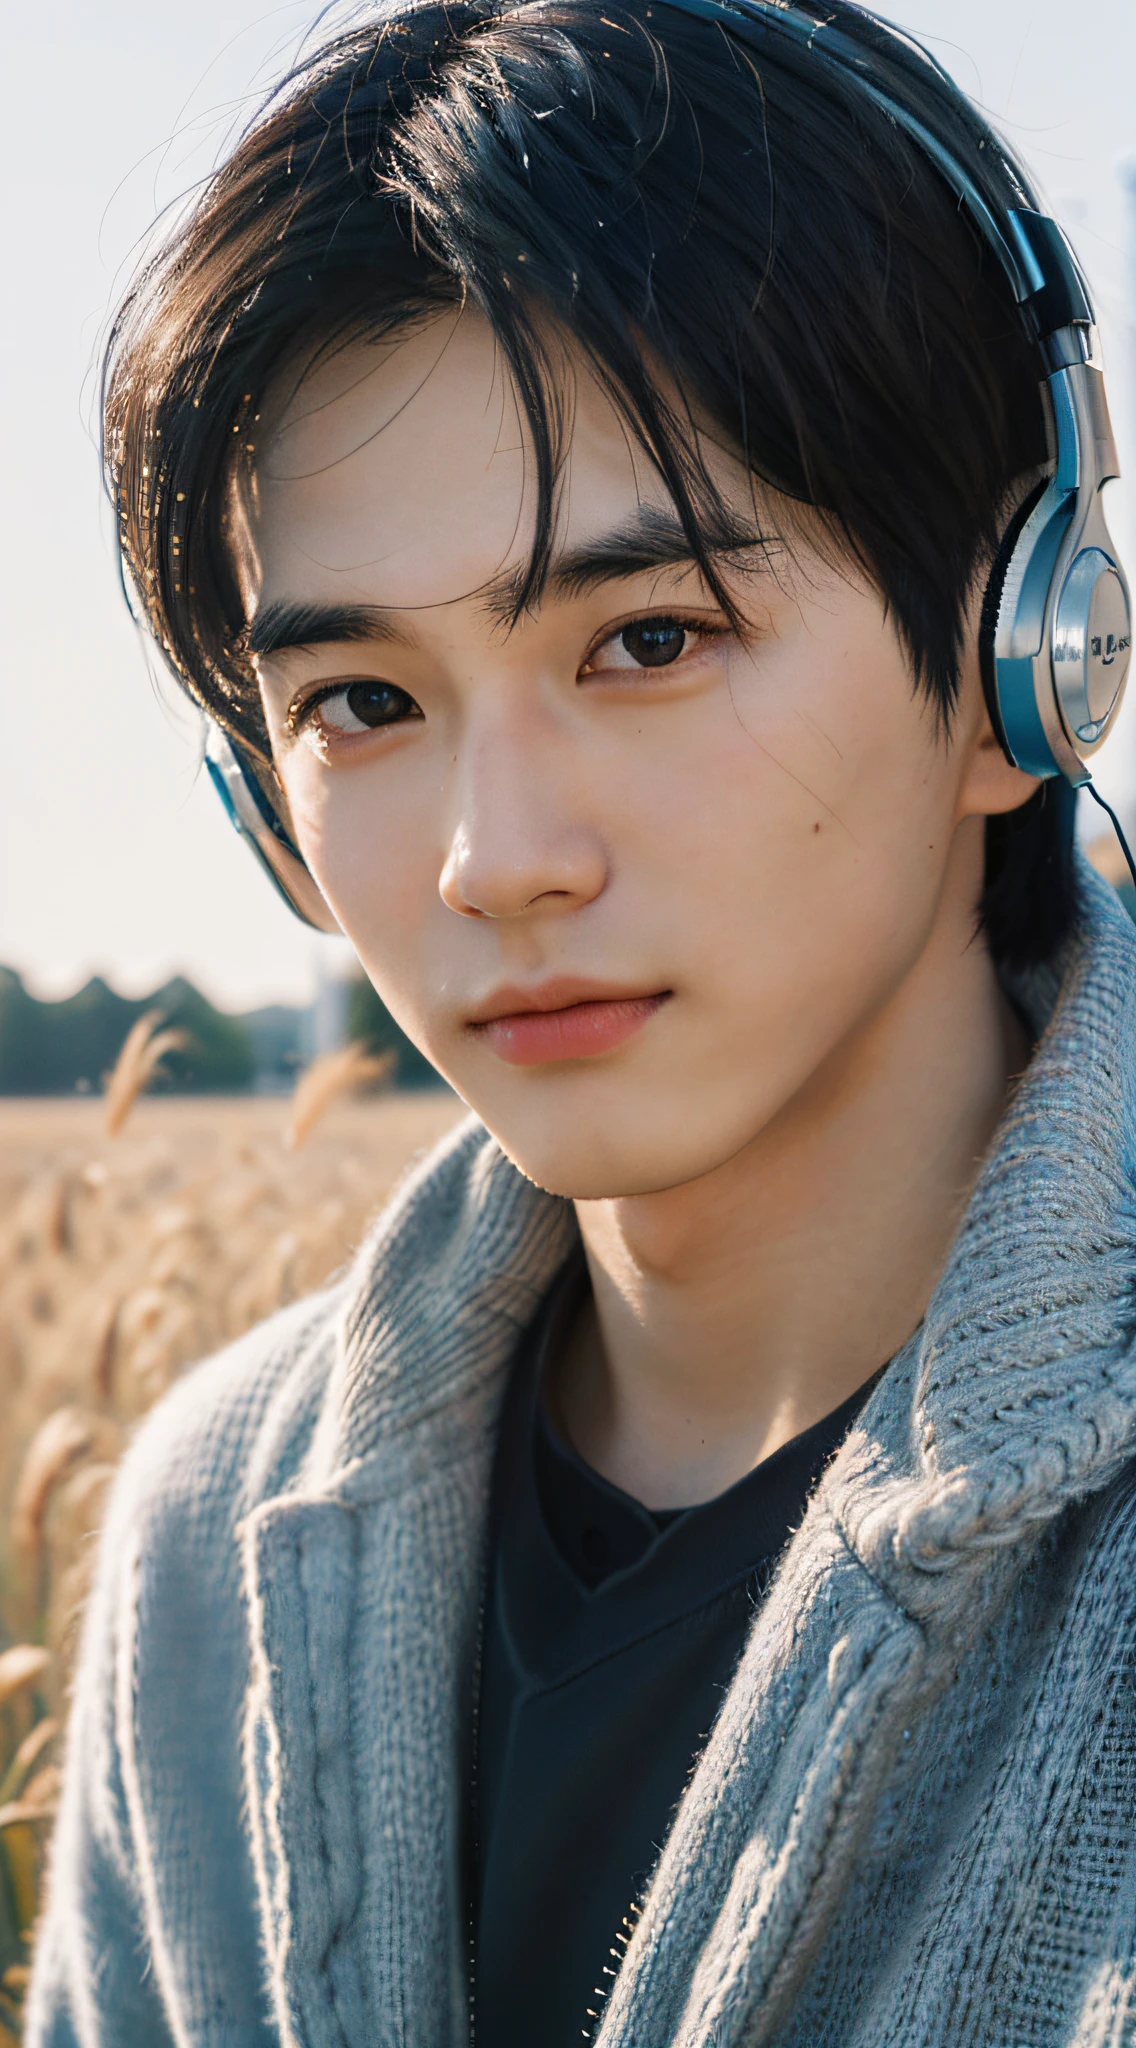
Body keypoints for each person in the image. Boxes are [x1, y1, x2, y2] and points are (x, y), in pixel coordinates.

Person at [27, 0, 1136, 2042]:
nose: (492, 857)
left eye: (649, 638)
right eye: (362, 702)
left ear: (1022, 661)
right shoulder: (209, 1529)